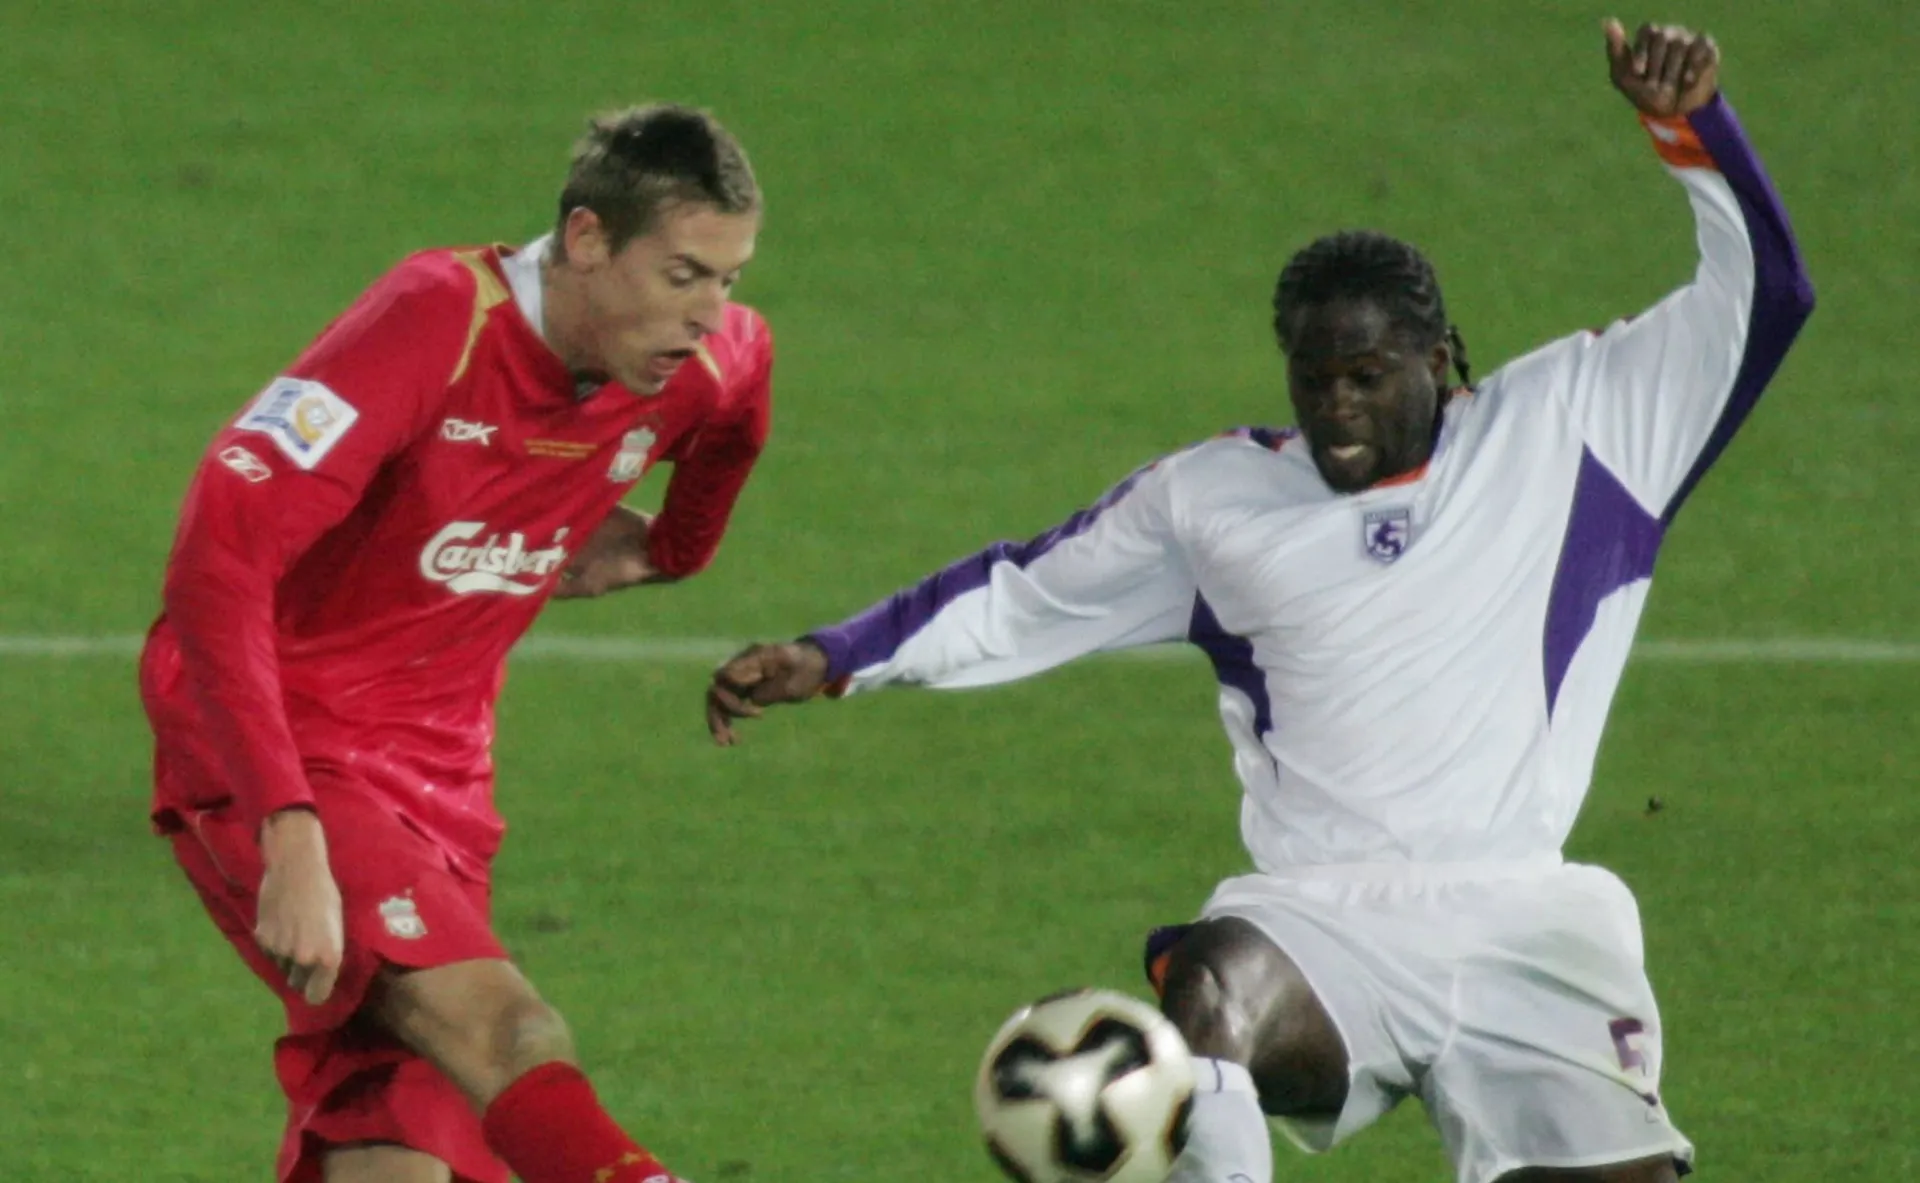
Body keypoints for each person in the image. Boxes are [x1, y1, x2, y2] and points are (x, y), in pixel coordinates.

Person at [704, 21, 1811, 1183]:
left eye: (1368, 377)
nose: (1337, 408)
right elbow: (1025, 590)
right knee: (1207, 991)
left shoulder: (1580, 427)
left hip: (1529, 916)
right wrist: (834, 655)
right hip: (1319, 921)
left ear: (1440, 361)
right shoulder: (1216, 502)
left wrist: (1692, 128)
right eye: (1314, 377)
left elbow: (1765, 294)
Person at [142, 103, 774, 1183]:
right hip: (282, 743)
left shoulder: (704, 366)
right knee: (508, 1034)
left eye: (729, 277)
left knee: (400, 1147)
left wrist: (674, 545)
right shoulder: (435, 322)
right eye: (683, 276)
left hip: (441, 781)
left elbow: (738, 413)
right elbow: (219, 554)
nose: (713, 313)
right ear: (585, 241)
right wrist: (288, 831)